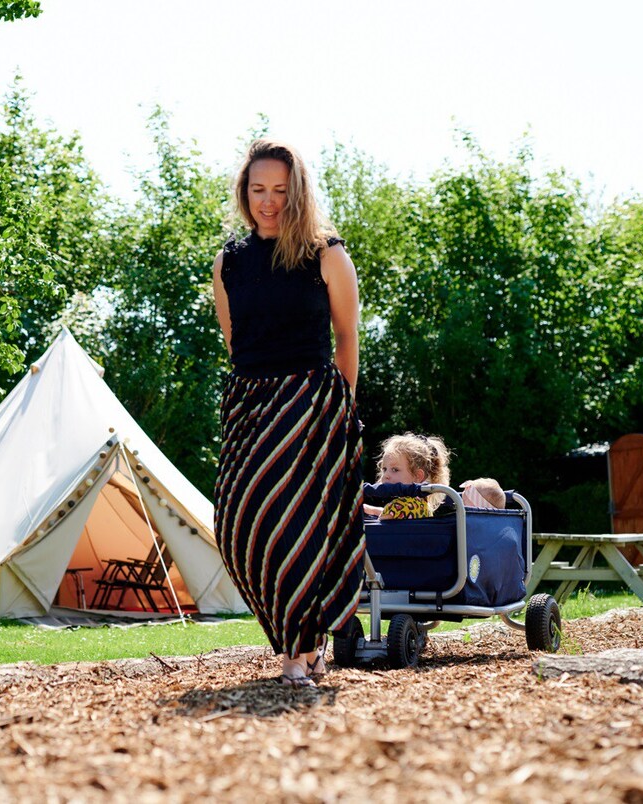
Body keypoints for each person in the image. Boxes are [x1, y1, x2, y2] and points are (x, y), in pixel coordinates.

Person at [212, 139, 364, 688]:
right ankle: (303, 639)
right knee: (235, 526)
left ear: (297, 192)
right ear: (244, 193)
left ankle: (298, 653)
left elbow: (346, 338)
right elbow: (236, 339)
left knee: (298, 525)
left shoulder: (326, 254)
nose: (268, 201)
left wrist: (341, 407)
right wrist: (254, 388)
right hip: (251, 400)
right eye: (258, 190)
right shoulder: (229, 261)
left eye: (279, 190)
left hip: (311, 402)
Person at [364, 432, 451, 520]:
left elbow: (379, 525)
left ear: (418, 476)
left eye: (395, 470)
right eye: (384, 469)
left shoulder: (397, 507)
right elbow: (399, 512)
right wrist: (373, 510)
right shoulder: (422, 506)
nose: (386, 475)